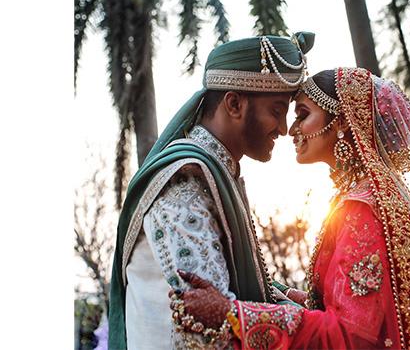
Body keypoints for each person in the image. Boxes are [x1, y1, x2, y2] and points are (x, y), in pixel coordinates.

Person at [170, 67, 410, 349]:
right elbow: (370, 314)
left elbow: (351, 336)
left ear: (341, 124)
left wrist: (233, 313)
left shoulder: (361, 210)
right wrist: (283, 298)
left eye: (303, 114)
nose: (290, 129)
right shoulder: (374, 200)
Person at [107, 32, 315, 350]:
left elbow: (233, 300)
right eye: (276, 110)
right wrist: (328, 328)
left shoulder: (217, 175)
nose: (284, 129)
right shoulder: (184, 183)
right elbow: (211, 328)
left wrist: (300, 303)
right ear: (234, 104)